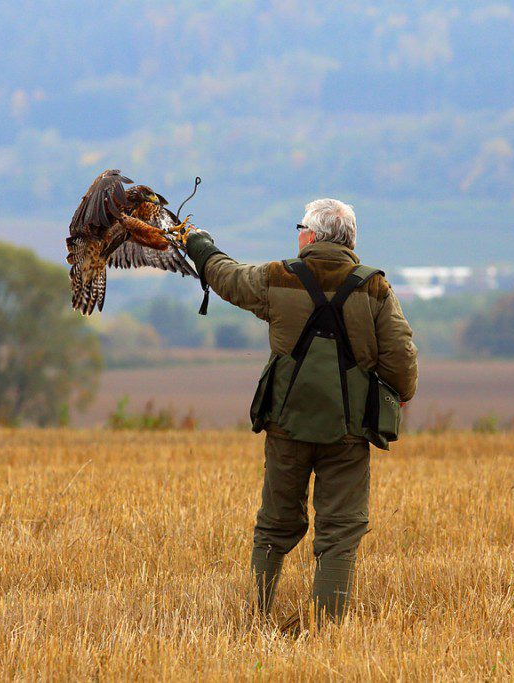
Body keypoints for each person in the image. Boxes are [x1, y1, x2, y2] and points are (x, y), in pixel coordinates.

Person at [184, 198, 418, 622]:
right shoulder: (375, 287)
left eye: (299, 228)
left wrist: (199, 244)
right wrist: (399, 392)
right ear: (349, 240)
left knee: (274, 525)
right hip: (348, 431)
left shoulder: (277, 278)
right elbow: (401, 358)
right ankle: (326, 627)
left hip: (287, 426)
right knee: (341, 530)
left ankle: (256, 618)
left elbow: (226, 277)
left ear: (309, 236)